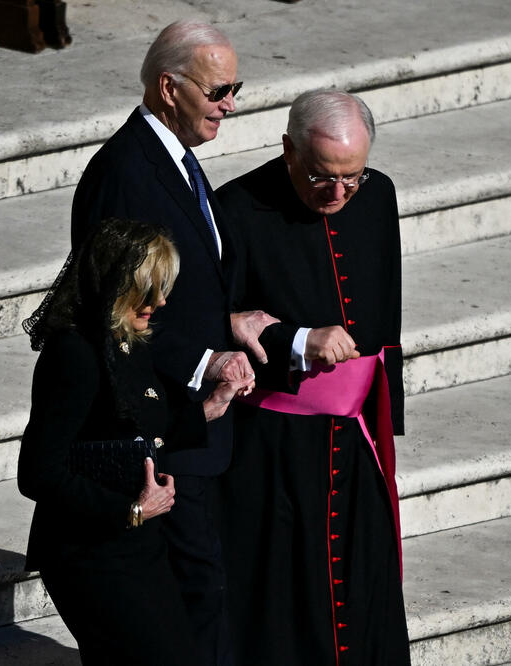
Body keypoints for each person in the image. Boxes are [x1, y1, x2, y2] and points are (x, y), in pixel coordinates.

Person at [68, 21, 278, 664]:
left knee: (201, 589)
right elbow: (116, 309)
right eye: (218, 90)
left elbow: (185, 283)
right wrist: (203, 358)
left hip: (194, 422)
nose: (230, 104)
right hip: (161, 421)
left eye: (235, 88)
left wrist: (229, 321)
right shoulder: (127, 172)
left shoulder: (177, 163)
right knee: (194, 592)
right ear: (168, 88)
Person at [216, 90, 410, 665]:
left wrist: (385, 411)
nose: (340, 193)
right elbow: (210, 321)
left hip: (355, 440)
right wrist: (296, 339)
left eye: (353, 177)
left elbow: (387, 307)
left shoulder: (379, 198)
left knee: (363, 589)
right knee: (285, 601)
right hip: (274, 447)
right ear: (288, 149)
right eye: (323, 177)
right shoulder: (236, 210)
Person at [18, 219, 253, 665]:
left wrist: (210, 406)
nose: (159, 302)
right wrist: (132, 509)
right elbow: (38, 473)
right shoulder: (74, 355)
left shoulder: (127, 341)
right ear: (114, 283)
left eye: (162, 288)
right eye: (147, 289)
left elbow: (141, 425)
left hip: (136, 544)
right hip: (88, 551)